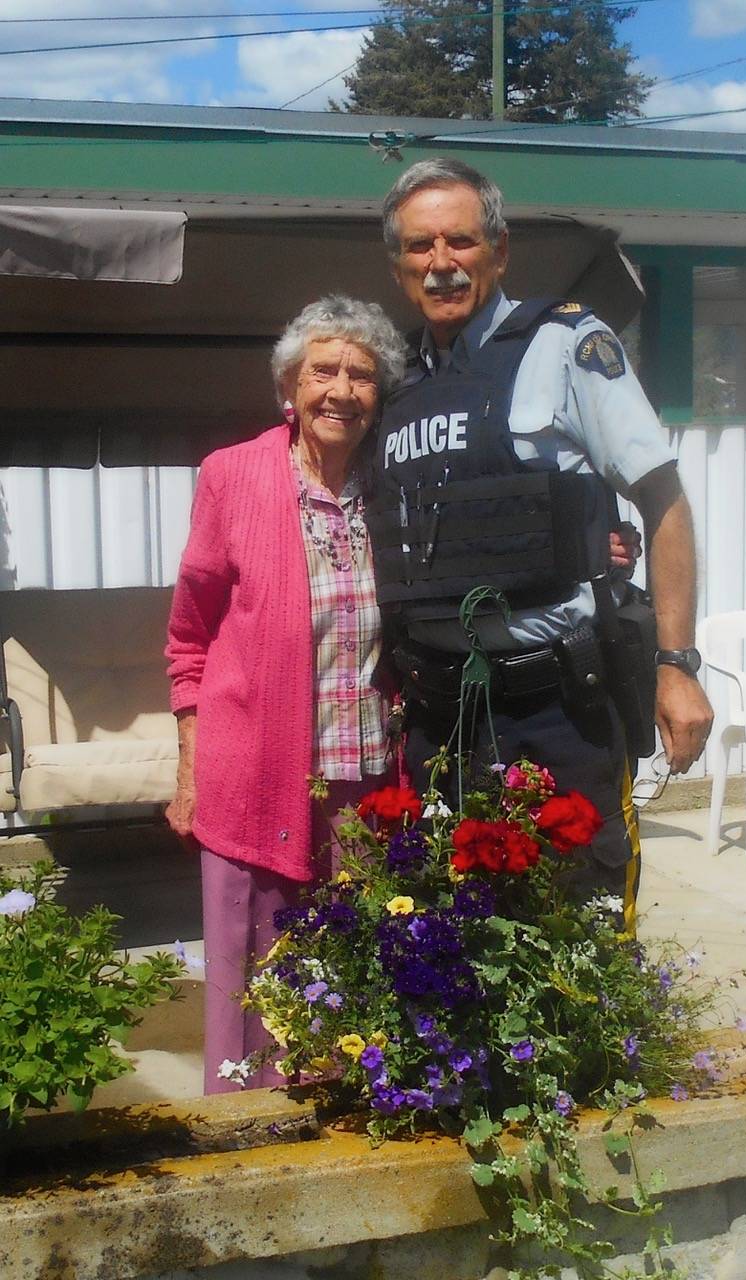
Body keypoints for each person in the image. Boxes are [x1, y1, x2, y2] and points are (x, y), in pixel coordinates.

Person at [369, 158, 714, 932]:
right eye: (420, 247)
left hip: (557, 710)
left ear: (498, 251)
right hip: (439, 716)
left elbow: (661, 498)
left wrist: (676, 665)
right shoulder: (390, 381)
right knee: (449, 947)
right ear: (398, 267)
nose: (441, 263)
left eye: (460, 241)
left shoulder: (565, 344)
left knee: (577, 945)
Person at [164, 295, 406, 1093]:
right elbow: (189, 638)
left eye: (361, 375)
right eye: (322, 371)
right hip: (254, 777)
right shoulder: (230, 476)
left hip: (367, 779)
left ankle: (345, 1114)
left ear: (380, 393)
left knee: (356, 963)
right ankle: (247, 1131)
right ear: (290, 387)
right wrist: (189, 773)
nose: (341, 389)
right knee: (252, 976)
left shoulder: (397, 489)